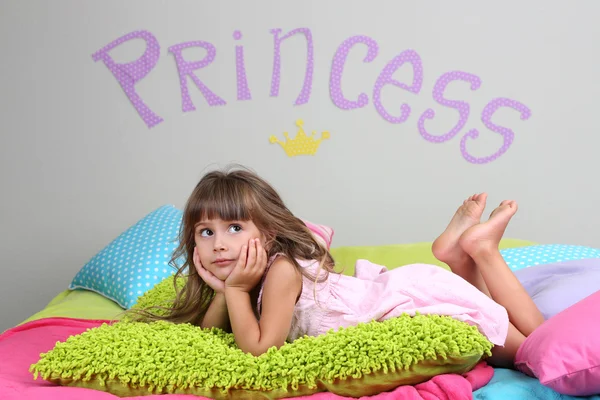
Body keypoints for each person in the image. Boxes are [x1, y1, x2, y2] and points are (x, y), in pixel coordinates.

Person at [140, 166, 544, 368]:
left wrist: (235, 291)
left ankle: (483, 250)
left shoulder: (281, 272)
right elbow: (210, 339)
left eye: (233, 227)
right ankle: (459, 256)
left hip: (410, 297)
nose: (220, 243)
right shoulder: (247, 279)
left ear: (266, 231)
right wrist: (223, 292)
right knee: (512, 334)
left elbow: (260, 350)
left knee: (534, 348)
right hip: (400, 288)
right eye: (205, 232)